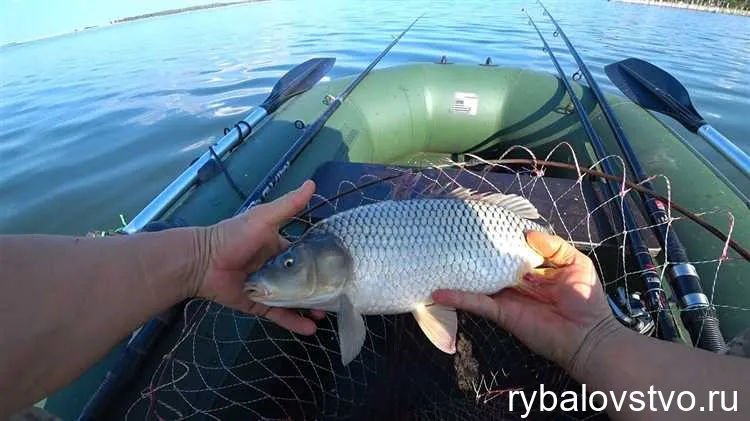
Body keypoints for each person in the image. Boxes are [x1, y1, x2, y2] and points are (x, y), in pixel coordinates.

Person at [0, 181, 747, 419]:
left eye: (290, 261)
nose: (276, 269)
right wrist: (594, 343)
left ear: (324, 257)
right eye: (290, 259)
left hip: (504, 247)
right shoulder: (345, 261)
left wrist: (595, 341)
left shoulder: (348, 256)